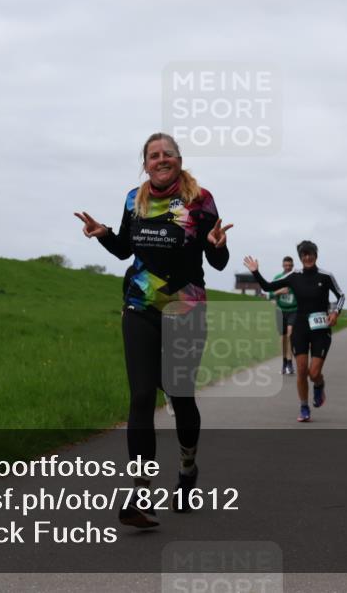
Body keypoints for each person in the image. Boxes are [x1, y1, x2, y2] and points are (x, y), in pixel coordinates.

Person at [75, 132, 232, 528]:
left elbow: (218, 262)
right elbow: (126, 249)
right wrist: (103, 235)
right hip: (140, 304)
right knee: (142, 396)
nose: (161, 159)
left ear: (179, 159)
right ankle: (141, 493)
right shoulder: (135, 199)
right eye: (154, 155)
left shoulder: (200, 200)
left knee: (180, 396)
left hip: (185, 307)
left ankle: (187, 469)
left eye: (168, 154)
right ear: (145, 164)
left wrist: (217, 245)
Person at [243, 241, 344, 422]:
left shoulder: (326, 276)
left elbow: (341, 296)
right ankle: (304, 407)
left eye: (310, 254)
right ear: (300, 257)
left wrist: (335, 312)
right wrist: (255, 272)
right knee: (302, 370)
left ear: (316, 255)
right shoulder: (294, 276)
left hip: (321, 329)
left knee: (314, 373)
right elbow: (268, 287)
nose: (308, 257)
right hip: (301, 328)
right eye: (304, 254)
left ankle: (319, 384)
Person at [270, 256, 297, 374]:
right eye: (286, 265)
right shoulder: (278, 278)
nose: (288, 267)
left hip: (293, 310)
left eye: (290, 266)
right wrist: (280, 291)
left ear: (293, 266)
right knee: (283, 338)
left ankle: (290, 364)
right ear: (282, 266)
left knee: (290, 334)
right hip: (280, 311)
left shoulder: (296, 278)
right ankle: (284, 362)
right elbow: (270, 294)